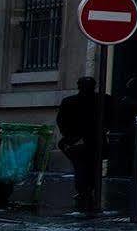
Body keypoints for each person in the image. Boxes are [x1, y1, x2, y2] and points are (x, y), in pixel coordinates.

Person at [55, 77, 103, 217]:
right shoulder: (102, 100)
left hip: (79, 141)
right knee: (91, 166)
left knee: (81, 167)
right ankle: (87, 191)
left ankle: (84, 192)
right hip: (91, 141)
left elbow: (62, 121)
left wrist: (70, 138)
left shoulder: (70, 101)